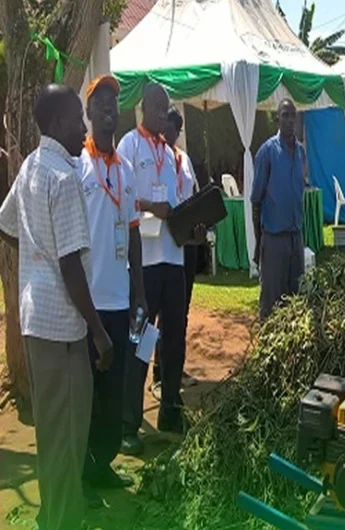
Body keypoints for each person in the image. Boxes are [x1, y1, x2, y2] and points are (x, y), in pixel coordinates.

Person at [0, 84, 113, 530]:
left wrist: (34, 254)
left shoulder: (30, 165)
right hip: (64, 328)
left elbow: (6, 224)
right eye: (76, 119)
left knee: (50, 432)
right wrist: (99, 332)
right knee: (69, 434)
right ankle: (64, 522)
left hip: (35, 318)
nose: (83, 127)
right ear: (57, 123)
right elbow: (70, 265)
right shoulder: (65, 177)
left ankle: (52, 515)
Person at [119, 83, 199, 454]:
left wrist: (192, 224)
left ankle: (170, 408)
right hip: (144, 262)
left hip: (174, 259)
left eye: (167, 110)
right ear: (142, 108)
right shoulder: (129, 147)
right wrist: (153, 206)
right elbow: (122, 199)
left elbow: (179, 204)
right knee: (139, 339)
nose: (163, 116)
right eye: (157, 108)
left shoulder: (170, 156)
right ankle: (128, 424)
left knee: (174, 339)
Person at [77, 75, 146, 505]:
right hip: (86, 303)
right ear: (87, 114)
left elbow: (134, 234)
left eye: (114, 103)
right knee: (88, 394)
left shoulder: (124, 170)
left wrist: (138, 290)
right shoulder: (76, 166)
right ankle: (81, 472)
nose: (109, 109)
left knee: (114, 390)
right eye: (101, 102)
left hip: (119, 300)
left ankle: (102, 464)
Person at [151, 107, 201, 400]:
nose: (171, 133)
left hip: (186, 244)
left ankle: (174, 367)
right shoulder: (153, 158)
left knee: (179, 312)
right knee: (159, 314)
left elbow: (191, 193)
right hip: (161, 247)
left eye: (176, 130)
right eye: (169, 126)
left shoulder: (183, 159)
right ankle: (156, 373)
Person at [251, 99, 305, 318]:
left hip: (296, 237)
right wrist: (258, 243)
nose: (290, 120)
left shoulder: (301, 152)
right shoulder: (267, 152)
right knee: (272, 302)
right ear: (277, 119)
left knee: (296, 301)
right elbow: (256, 201)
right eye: (285, 115)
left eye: (293, 115)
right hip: (273, 238)